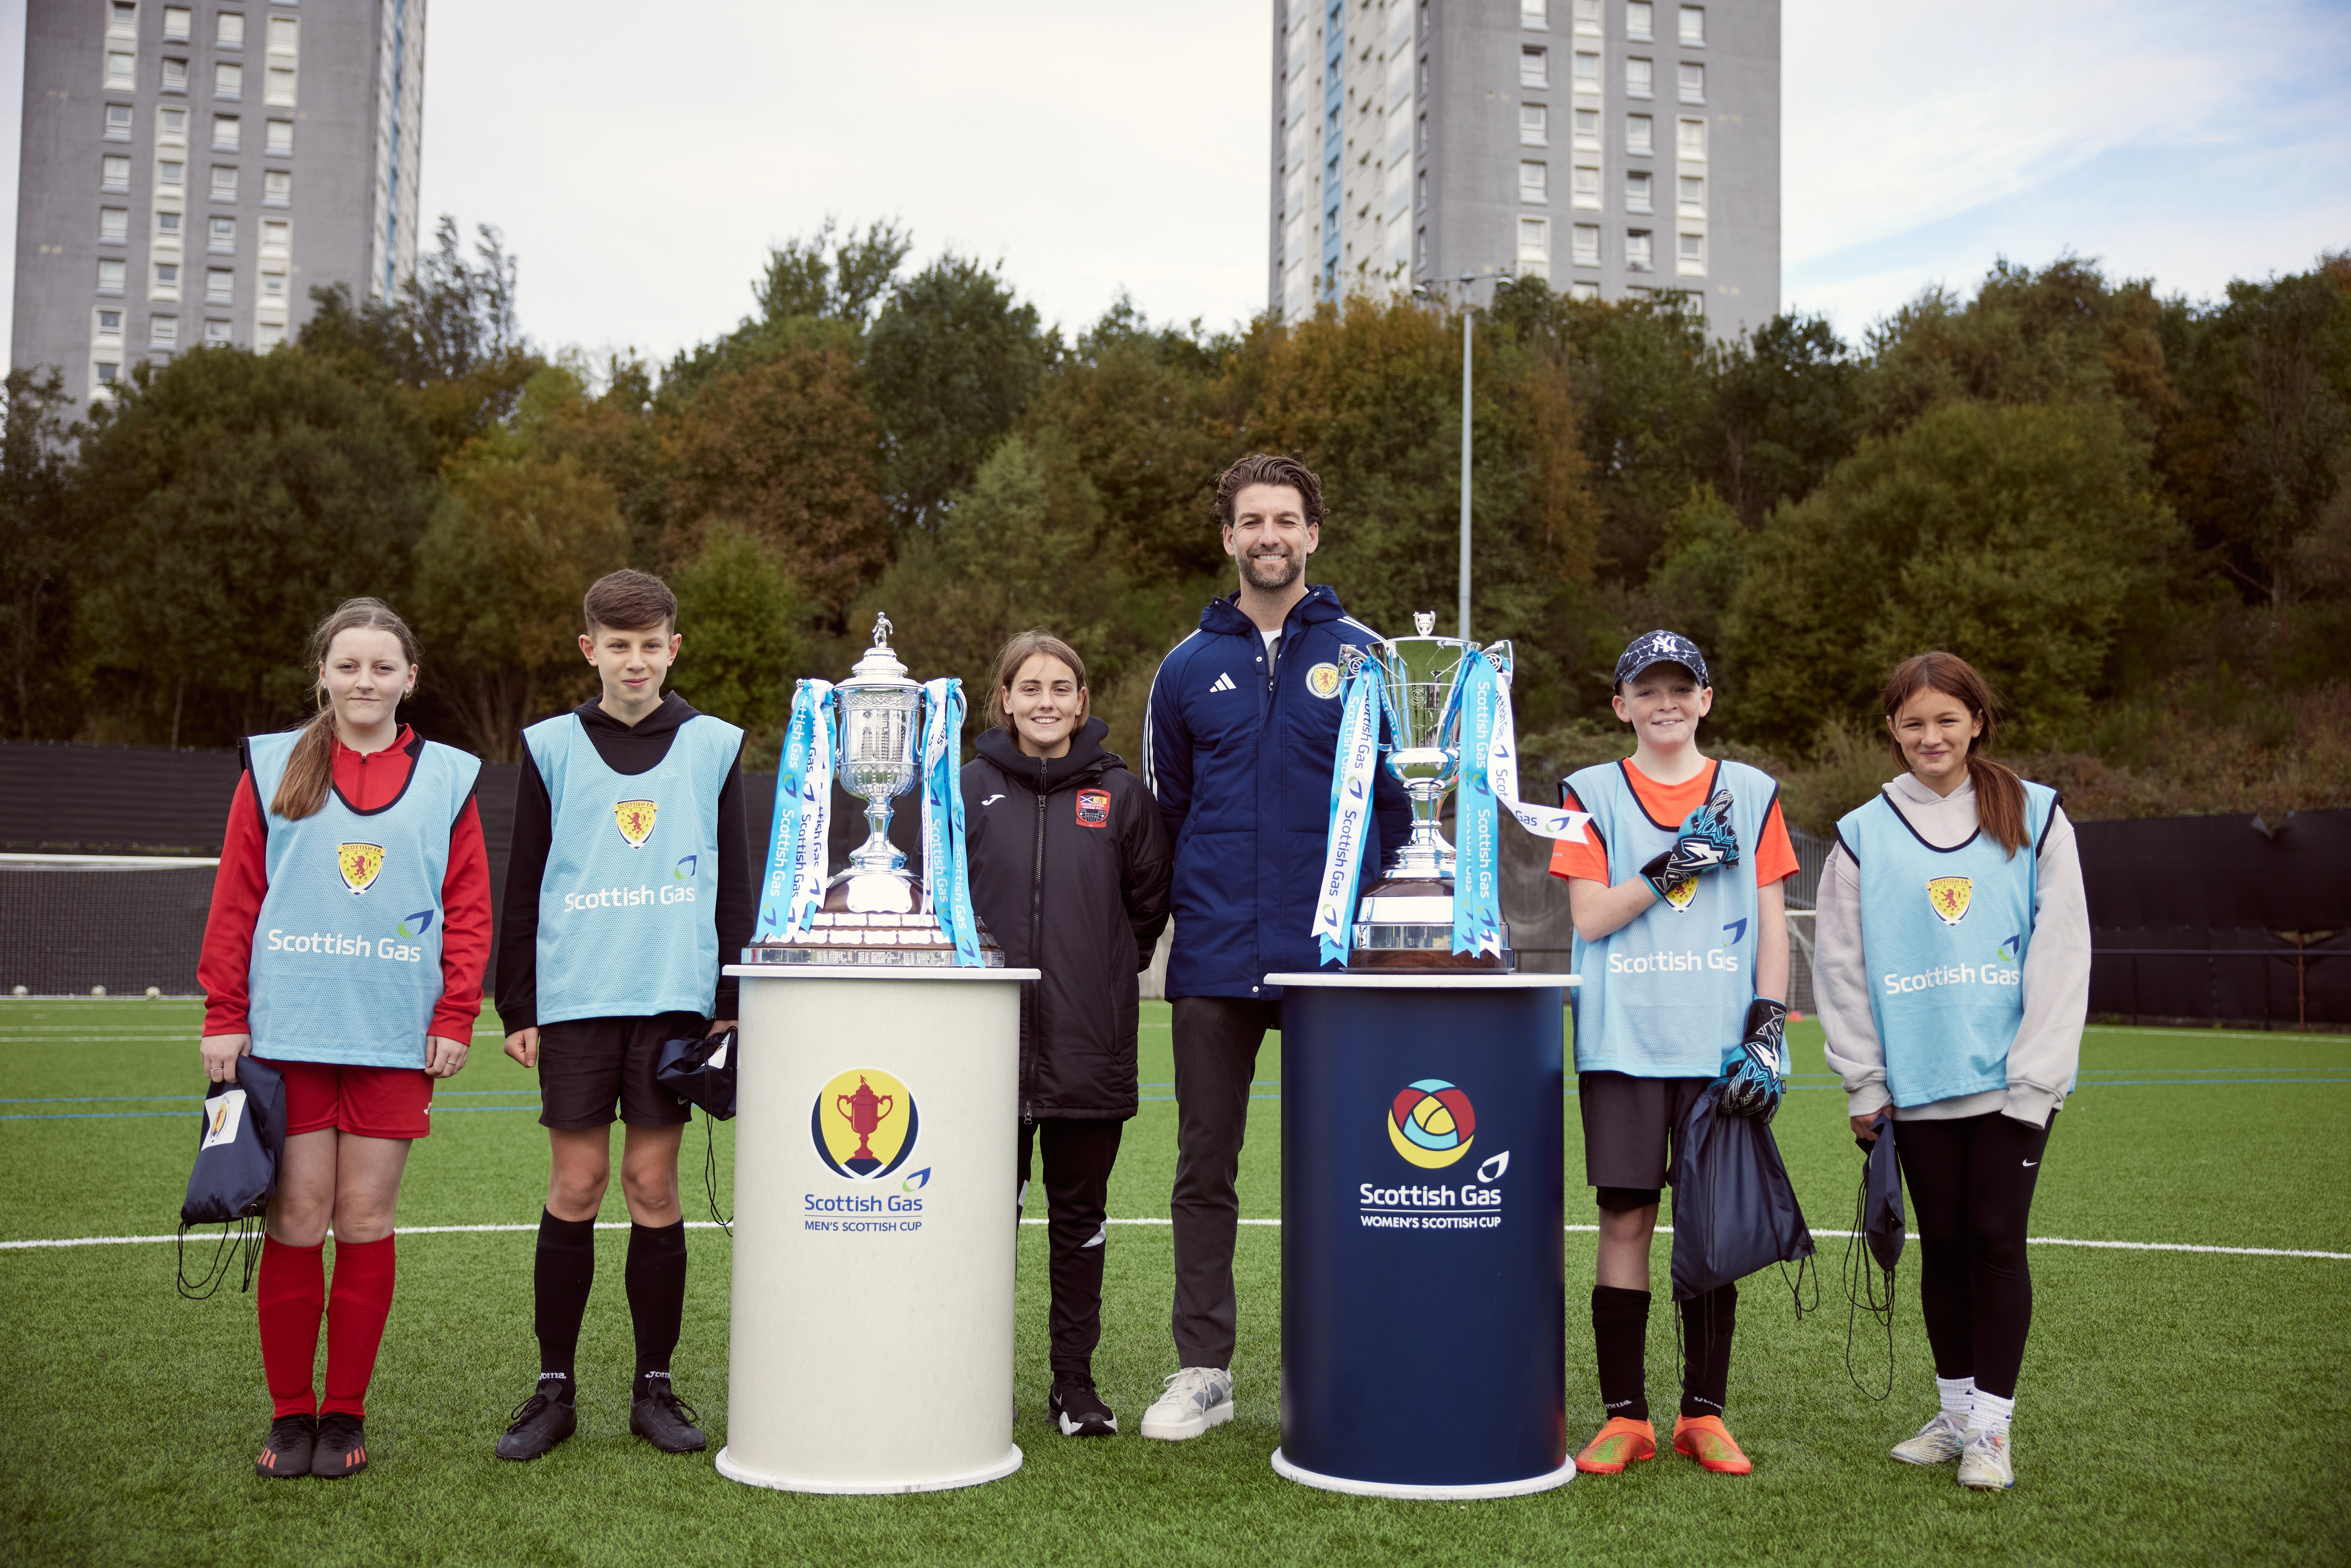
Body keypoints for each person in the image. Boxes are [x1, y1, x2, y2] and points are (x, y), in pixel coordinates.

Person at [1136, 453, 1411, 1441]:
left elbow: (1399, 810)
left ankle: (1339, 1358)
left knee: (1344, 1163)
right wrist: (1153, 937)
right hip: (1211, 956)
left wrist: (1375, 929)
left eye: (1285, 519)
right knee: (1203, 1165)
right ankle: (1204, 1368)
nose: (1268, 536)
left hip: (1332, 963)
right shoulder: (1182, 667)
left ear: (1312, 533)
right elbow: (1163, 815)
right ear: (1227, 537)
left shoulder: (1369, 657)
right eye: (1251, 520)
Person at [198, 598, 492, 1480]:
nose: (365, 680)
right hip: (289, 1031)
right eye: (348, 664)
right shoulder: (273, 763)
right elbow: (238, 895)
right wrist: (225, 1013)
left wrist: (453, 1014)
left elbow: (468, 910)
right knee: (296, 1216)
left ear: (410, 677)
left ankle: (345, 1413)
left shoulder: (449, 776)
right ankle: (292, 1415)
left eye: (383, 666)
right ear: (322, 672)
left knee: (364, 1218)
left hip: (394, 1035)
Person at [492, 569, 753, 1462]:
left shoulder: (714, 745)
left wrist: (729, 1001)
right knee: (577, 1185)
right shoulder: (551, 746)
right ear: (589, 649)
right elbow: (523, 879)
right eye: (618, 645)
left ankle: (655, 1385)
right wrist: (517, 1002)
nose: (634, 660)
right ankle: (554, 1387)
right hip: (575, 1001)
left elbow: (736, 885)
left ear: (673, 649)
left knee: (651, 1185)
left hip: (672, 1000)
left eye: (651, 645)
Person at [1817, 652, 2087, 1492]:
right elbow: (1841, 967)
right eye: (1912, 722)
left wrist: (2038, 1079)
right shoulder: (1862, 832)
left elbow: (2062, 952)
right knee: (1943, 1249)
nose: (1930, 736)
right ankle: (1956, 1410)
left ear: (1977, 720)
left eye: (1946, 718)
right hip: (1917, 1087)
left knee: (1998, 1242)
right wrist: (1865, 1081)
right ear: (1892, 732)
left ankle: (1993, 1432)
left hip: (2012, 1086)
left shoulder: (2036, 816)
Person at [1549, 630, 1799, 1477]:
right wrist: (1672, 864)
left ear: (1705, 699)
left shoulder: (1753, 791)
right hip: (1623, 1041)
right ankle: (1627, 1417)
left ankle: (1704, 1414)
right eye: (1645, 690)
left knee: (1711, 1226)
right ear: (1620, 704)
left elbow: (1772, 921)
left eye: (1679, 688)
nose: (1665, 703)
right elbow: (1588, 919)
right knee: (1624, 1220)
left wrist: (1766, 1029)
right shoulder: (1589, 792)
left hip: (1716, 1046)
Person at [962, 630, 1172, 1438]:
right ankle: (973, 1377)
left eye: (1062, 688)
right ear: (1005, 699)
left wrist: (1106, 969)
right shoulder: (968, 785)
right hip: (982, 1056)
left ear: (1083, 702)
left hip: (1090, 1052)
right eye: (1030, 687)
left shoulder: (1121, 796)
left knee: (1078, 1222)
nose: (1046, 701)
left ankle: (1072, 1386)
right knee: (981, 1225)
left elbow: (1147, 905)